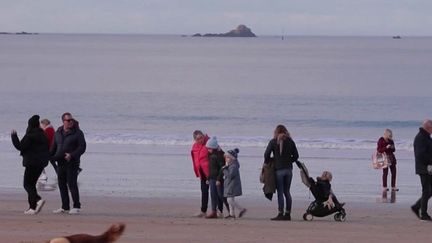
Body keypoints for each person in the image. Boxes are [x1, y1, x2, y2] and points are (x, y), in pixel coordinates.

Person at [11, 115, 50, 215]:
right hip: (41, 164)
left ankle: (38, 199)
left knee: (27, 184)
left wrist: (14, 136)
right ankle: (32, 208)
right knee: (32, 184)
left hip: (32, 163)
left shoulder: (30, 135)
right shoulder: (43, 134)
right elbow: (47, 147)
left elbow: (20, 146)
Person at [51, 112, 86, 215]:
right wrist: (49, 157)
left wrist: (72, 155)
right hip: (60, 162)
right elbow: (53, 146)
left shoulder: (78, 133)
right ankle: (65, 207)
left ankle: (76, 206)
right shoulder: (58, 132)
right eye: (68, 120)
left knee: (72, 184)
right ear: (63, 121)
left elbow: (82, 147)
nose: (71, 122)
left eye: (71, 120)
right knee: (61, 184)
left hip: (72, 162)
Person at [264, 124, 299, 221]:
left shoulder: (273, 142)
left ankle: (280, 213)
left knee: (280, 192)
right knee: (287, 192)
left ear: (276, 132)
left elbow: (266, 154)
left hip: (279, 170)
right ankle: (288, 214)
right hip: (289, 170)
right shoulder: (291, 142)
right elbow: (296, 156)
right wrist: (288, 161)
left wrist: (269, 162)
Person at [411, 120, 432, 221]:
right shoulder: (421, 138)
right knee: (426, 190)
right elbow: (420, 155)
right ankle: (423, 213)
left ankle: (416, 207)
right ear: (428, 127)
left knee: (429, 190)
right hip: (424, 168)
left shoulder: (426, 137)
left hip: (428, 167)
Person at [205, 136, 229, 218]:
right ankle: (213, 211)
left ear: (214, 148)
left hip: (219, 179)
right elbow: (211, 168)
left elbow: (222, 168)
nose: (208, 150)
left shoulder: (220, 155)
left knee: (221, 195)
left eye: (210, 148)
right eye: (208, 148)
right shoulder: (210, 155)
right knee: (213, 195)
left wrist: (219, 179)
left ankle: (227, 211)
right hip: (212, 178)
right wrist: (208, 178)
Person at [222, 148, 246, 219]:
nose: (226, 159)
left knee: (229, 200)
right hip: (230, 185)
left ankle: (241, 209)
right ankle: (231, 214)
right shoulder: (231, 165)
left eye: (228, 157)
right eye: (226, 157)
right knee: (230, 199)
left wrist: (224, 170)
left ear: (232, 158)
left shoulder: (234, 166)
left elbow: (230, 176)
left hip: (232, 185)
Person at [190, 130, 210, 217]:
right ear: (195, 140)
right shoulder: (194, 146)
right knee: (204, 191)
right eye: (198, 139)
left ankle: (219, 211)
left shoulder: (209, 143)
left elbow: (218, 154)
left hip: (211, 172)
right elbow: (195, 160)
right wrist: (196, 171)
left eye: (201, 137)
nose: (200, 140)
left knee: (217, 193)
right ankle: (203, 211)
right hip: (202, 173)